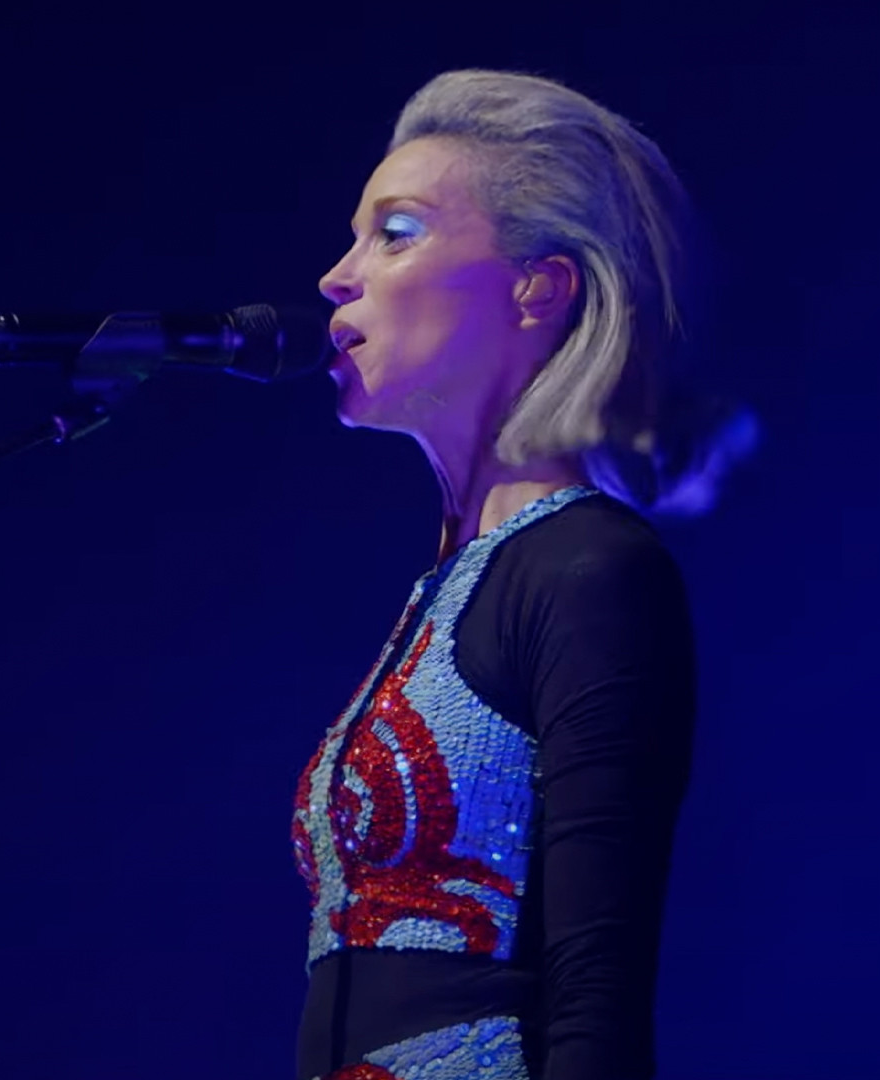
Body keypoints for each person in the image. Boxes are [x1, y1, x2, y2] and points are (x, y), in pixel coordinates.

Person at [292, 69, 749, 1080]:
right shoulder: (441, 587)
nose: (335, 277)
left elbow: (597, 986)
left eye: (395, 233)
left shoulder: (591, 572)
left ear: (537, 289)